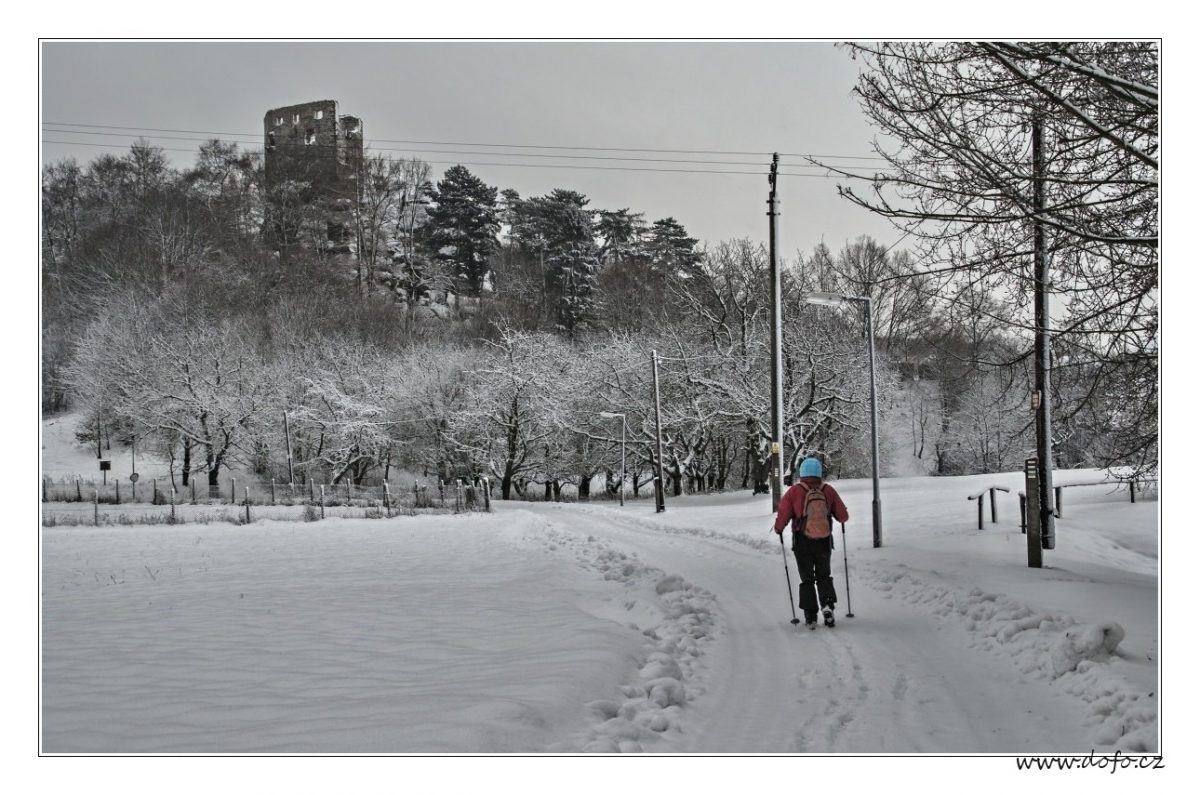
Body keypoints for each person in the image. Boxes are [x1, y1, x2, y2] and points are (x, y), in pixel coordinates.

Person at [772, 456, 849, 628]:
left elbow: (783, 514)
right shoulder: (828, 490)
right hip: (823, 542)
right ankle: (827, 606)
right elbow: (843, 516)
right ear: (819, 472)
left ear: (802, 473)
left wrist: (778, 528)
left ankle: (810, 615)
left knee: (807, 578)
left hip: (802, 541)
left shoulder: (794, 491)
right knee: (824, 575)